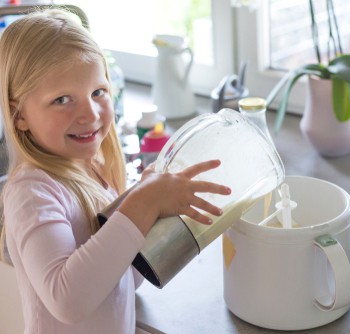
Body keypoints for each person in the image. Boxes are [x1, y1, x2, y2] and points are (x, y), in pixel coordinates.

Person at [0, 8, 231, 334]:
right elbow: (69, 300)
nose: (89, 112)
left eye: (98, 92)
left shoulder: (91, 172)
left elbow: (119, 278)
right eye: (63, 99)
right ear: (19, 115)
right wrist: (142, 205)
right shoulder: (32, 192)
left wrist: (150, 209)